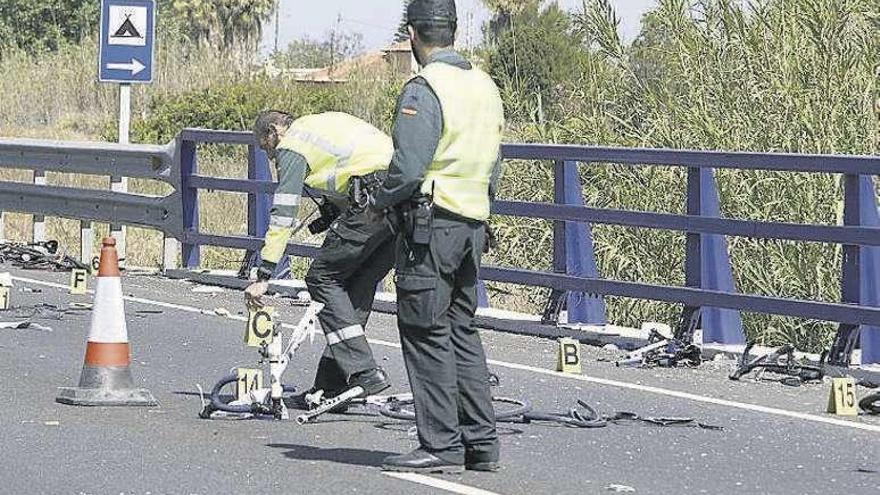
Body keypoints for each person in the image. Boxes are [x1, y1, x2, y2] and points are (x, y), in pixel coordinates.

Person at [372, 0, 506, 474]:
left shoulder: (425, 87)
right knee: (461, 330)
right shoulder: (485, 86)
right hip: (472, 225)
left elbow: (408, 168)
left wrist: (380, 201)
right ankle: (481, 444)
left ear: (413, 35)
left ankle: (440, 445)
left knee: (425, 331)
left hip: (430, 227)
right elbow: (495, 163)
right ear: (452, 29)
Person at [245, 111, 394, 403]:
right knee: (354, 288)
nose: (270, 155)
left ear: (274, 132)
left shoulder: (292, 145)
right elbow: (354, 167)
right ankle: (332, 386)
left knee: (321, 278)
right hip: (402, 203)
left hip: (372, 202)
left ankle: (364, 371)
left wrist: (264, 274)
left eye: (266, 147)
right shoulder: (320, 125)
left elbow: (284, 213)